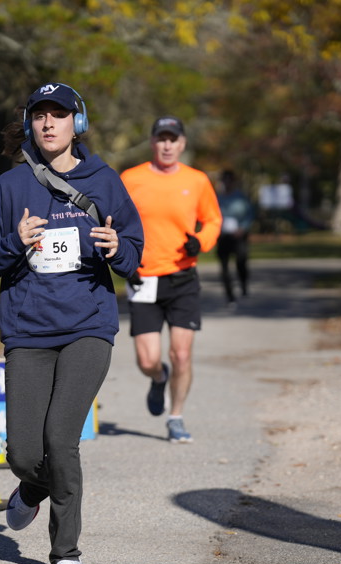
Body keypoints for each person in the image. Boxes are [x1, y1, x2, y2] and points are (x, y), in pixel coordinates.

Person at [0, 83, 143, 564]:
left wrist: (117, 249)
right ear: (30, 124)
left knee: (61, 439)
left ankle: (66, 553)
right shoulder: (10, 187)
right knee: (24, 453)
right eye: (40, 115)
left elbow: (135, 254)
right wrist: (13, 242)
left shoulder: (104, 181)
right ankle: (31, 488)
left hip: (88, 327)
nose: (49, 124)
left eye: (59, 115)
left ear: (76, 123)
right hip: (27, 332)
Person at [120, 117, 222, 444]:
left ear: (182, 144)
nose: (167, 145)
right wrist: (124, 260)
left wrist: (201, 242)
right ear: (152, 142)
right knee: (148, 360)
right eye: (161, 139)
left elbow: (213, 220)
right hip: (143, 277)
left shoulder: (197, 180)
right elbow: (115, 222)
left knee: (181, 354)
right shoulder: (130, 179)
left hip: (182, 278)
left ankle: (176, 417)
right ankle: (158, 377)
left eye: (173, 139)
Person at [215, 169, 255, 308]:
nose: (227, 183)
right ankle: (229, 295)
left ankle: (243, 287)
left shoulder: (241, 197)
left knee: (241, 262)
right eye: (224, 180)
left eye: (229, 180)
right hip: (223, 236)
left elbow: (250, 214)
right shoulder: (217, 198)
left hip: (239, 236)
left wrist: (243, 228)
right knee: (224, 267)